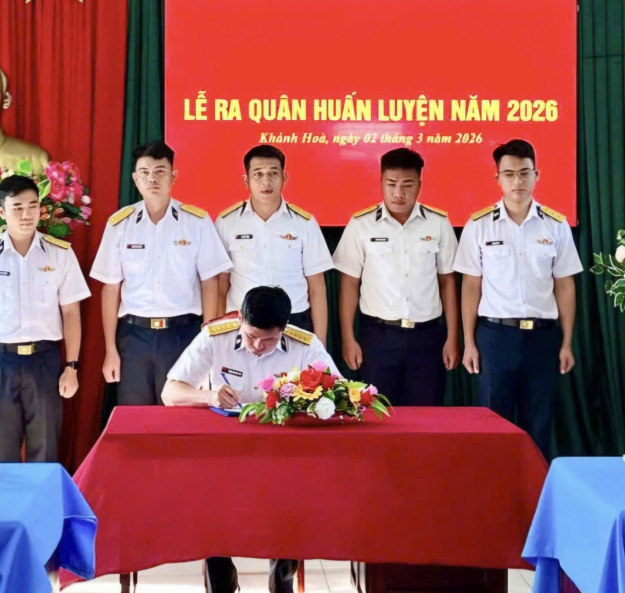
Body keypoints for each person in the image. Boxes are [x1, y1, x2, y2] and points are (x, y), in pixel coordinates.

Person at [163, 286, 337, 593]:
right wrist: (209, 396)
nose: (258, 346)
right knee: (208, 497)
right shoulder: (215, 337)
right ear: (240, 319)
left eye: (269, 340)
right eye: (252, 336)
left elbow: (335, 394)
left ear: (284, 328)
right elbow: (170, 392)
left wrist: (306, 401)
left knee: (294, 494)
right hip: (223, 452)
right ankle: (221, 587)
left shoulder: (305, 345)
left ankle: (282, 584)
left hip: (282, 453)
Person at [453, 139, 582, 459]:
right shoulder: (479, 225)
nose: (517, 181)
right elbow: (470, 286)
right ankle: (494, 485)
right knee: (493, 423)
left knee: (539, 423)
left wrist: (567, 342)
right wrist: (469, 342)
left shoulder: (556, 225)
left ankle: (536, 487)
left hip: (543, 338)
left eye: (525, 173)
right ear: (497, 178)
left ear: (537, 175)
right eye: (509, 174)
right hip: (496, 336)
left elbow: (565, 285)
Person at [0, 175, 89, 463]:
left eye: (32, 206)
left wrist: (72, 366)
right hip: (0, 361)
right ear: (2, 212)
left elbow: (71, 312)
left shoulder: (60, 254)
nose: (26, 215)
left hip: (45, 360)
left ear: (41, 209)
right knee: (0, 450)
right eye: (17, 208)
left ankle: (43, 495)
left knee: (46, 448)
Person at [90, 140, 232, 405]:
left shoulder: (196, 222)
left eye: (160, 171)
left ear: (173, 177)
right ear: (135, 179)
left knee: (181, 416)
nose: (152, 179)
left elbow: (210, 282)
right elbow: (110, 288)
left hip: (183, 334)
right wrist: (111, 349)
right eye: (144, 172)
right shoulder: (120, 224)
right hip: (134, 338)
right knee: (136, 417)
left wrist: (208, 343)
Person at [332, 148, 459, 406]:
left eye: (407, 185)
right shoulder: (361, 224)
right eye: (391, 184)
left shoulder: (438, 223)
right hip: (378, 336)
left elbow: (447, 282)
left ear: (420, 185)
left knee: (426, 415)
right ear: (381, 182)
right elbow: (349, 284)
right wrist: (348, 338)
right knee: (376, 414)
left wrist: (453, 338)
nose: (398, 193)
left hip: (427, 336)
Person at [214, 144, 334, 339]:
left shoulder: (304, 223)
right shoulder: (227, 222)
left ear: (284, 178)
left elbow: (317, 287)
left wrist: (319, 344)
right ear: (246, 181)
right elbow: (221, 286)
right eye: (258, 174)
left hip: (294, 323)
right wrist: (220, 336)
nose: (266, 181)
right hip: (243, 322)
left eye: (273, 173)